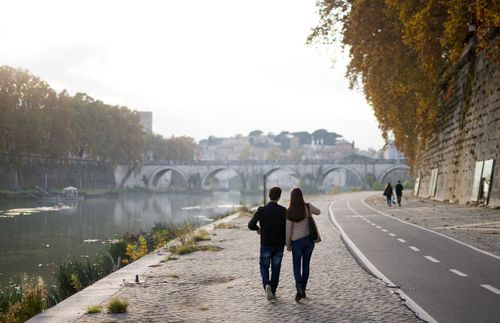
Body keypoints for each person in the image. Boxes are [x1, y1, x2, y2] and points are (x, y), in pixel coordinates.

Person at [248, 186, 287, 301]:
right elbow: (287, 228)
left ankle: (267, 285)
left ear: (269, 196)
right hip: (279, 244)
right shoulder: (283, 211)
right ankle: (273, 291)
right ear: (279, 197)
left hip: (266, 244)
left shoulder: (262, 210)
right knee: (276, 267)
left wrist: (257, 229)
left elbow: (250, 224)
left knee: (264, 266)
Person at [285, 187, 321, 302]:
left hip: (296, 243)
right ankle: (303, 290)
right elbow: (319, 212)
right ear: (301, 196)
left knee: (296, 267)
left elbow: (288, 230)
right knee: (306, 266)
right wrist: (310, 209)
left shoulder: (289, 211)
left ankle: (299, 287)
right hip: (309, 241)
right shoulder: (307, 206)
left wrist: (288, 244)